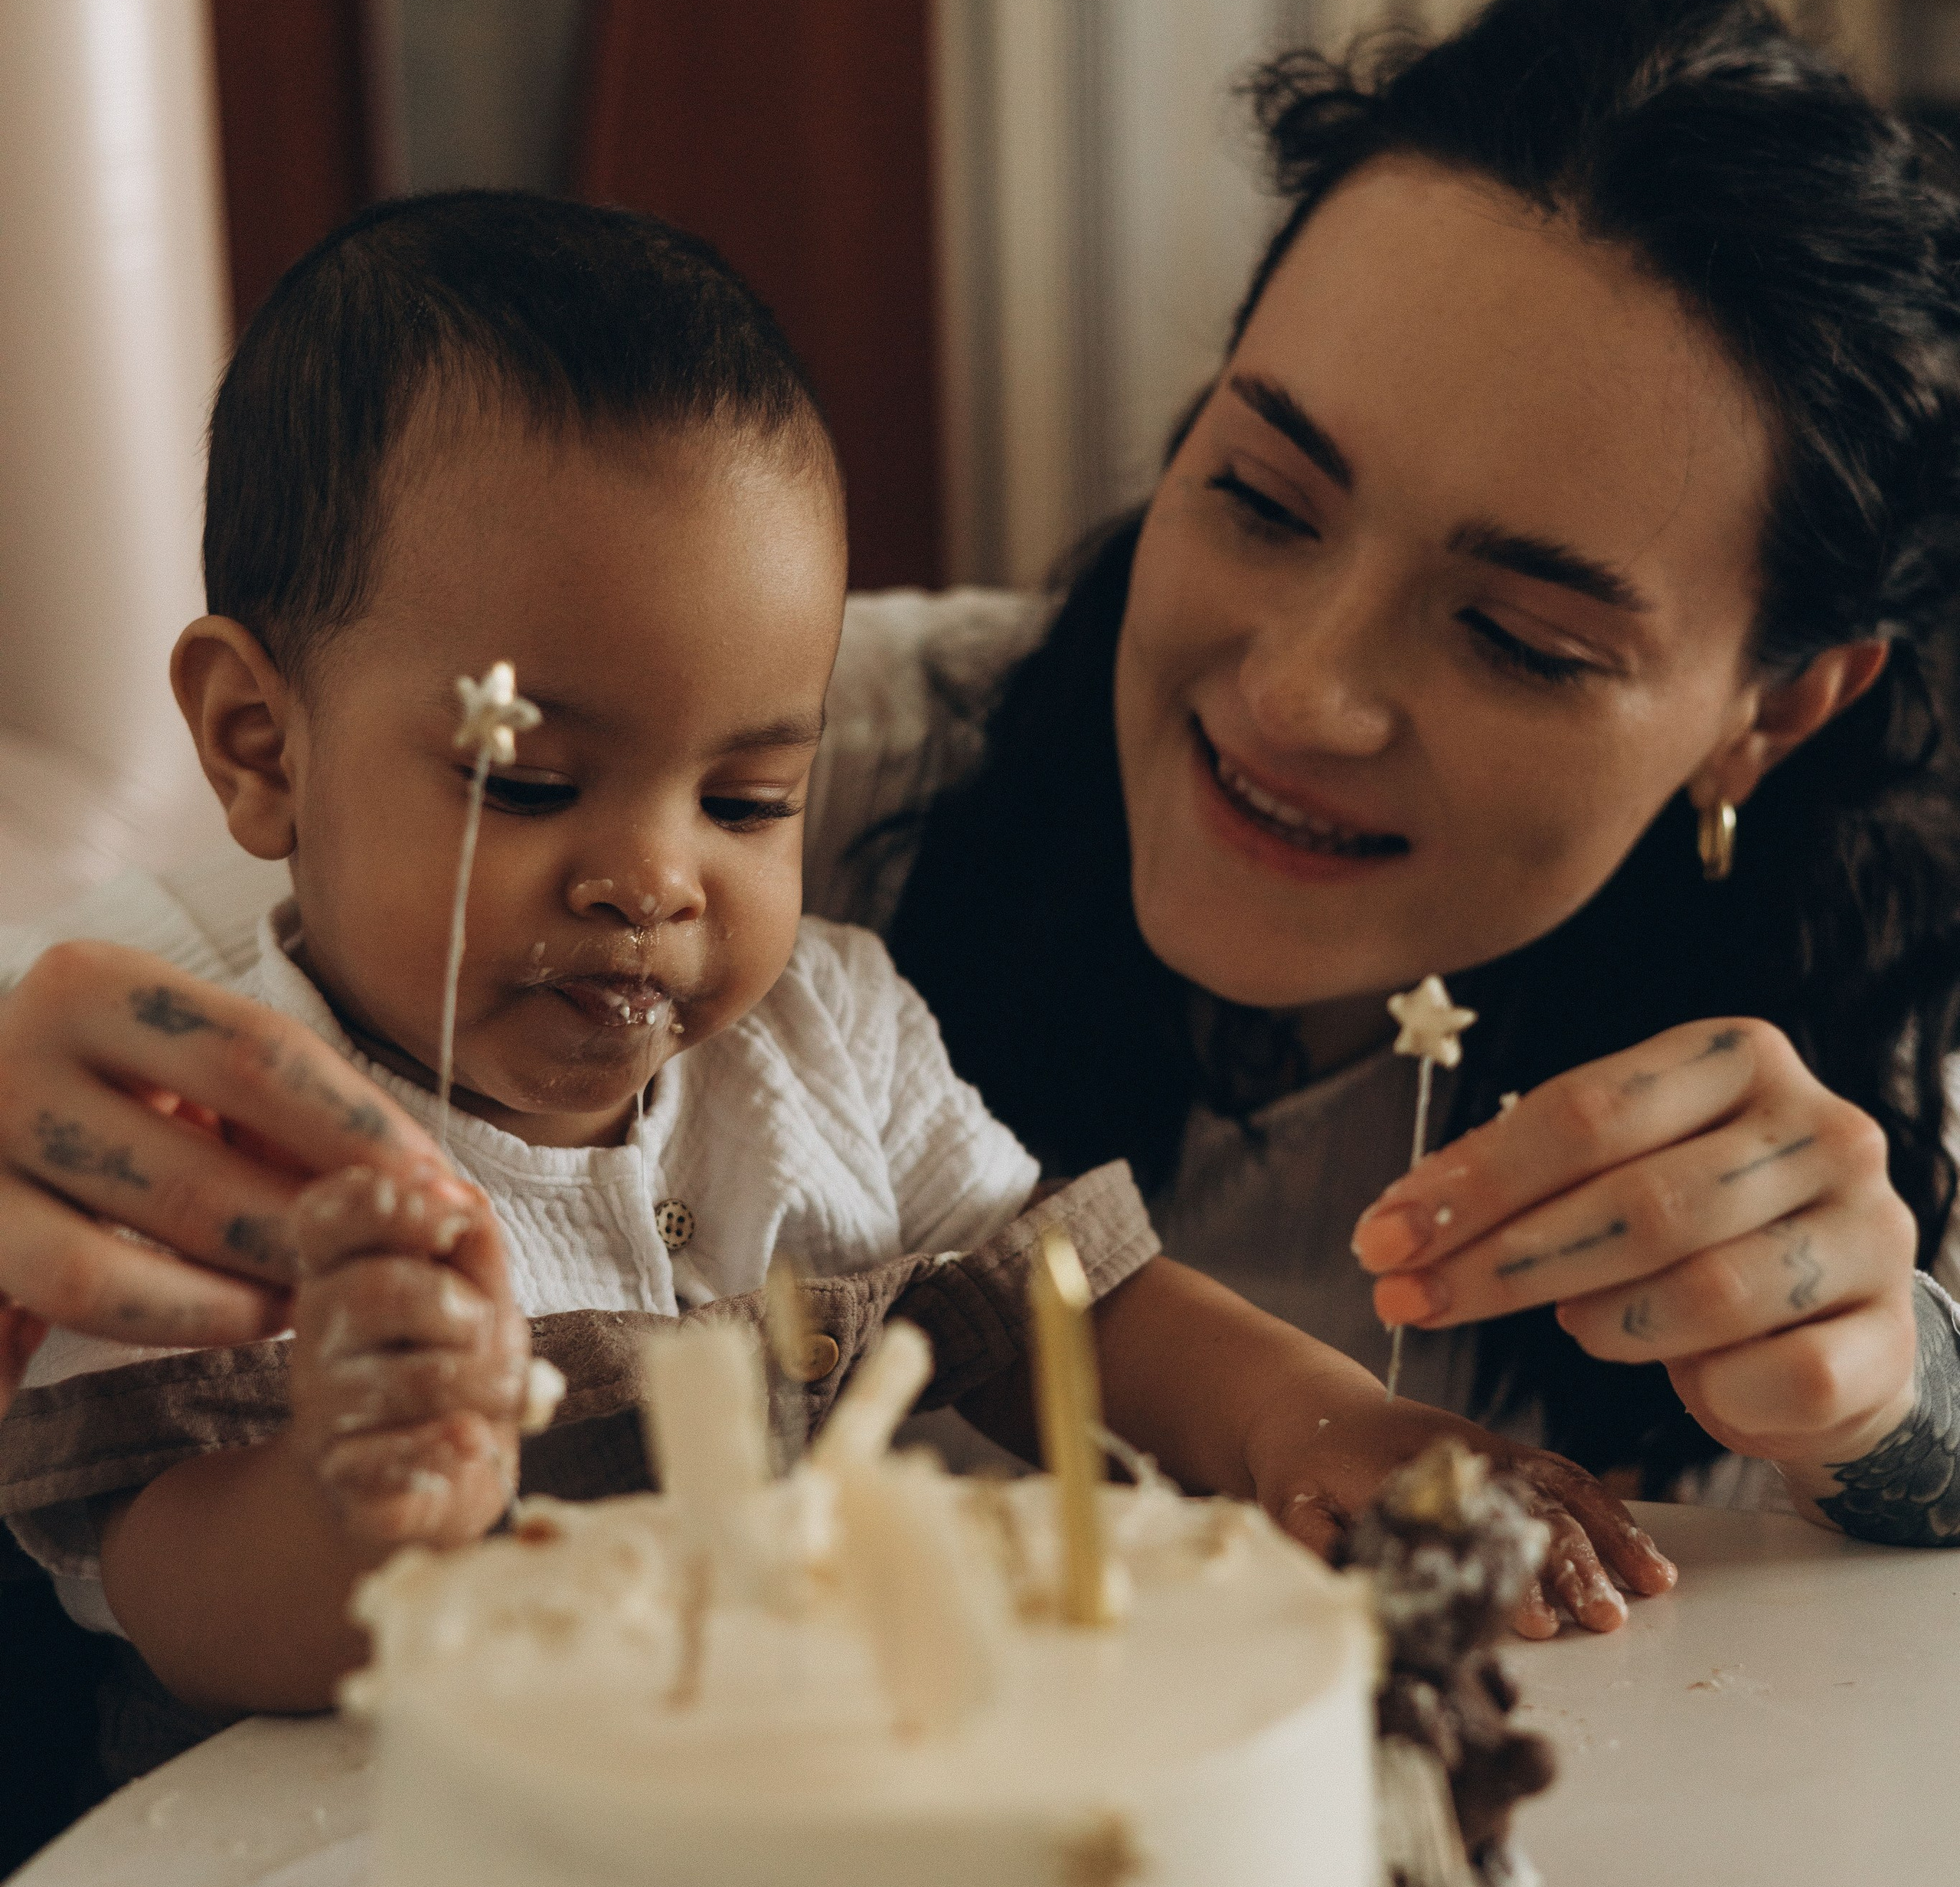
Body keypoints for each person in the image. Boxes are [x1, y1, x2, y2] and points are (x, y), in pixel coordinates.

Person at [32, 0, 1952, 1624]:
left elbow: (1072, 1298)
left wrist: (1880, 1398)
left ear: (1768, 716)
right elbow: (156, 946)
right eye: (1262, 497)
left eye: (1519, 636)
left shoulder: (807, 991)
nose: (1297, 691)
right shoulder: (819, 756)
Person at [0, 191, 1586, 1740]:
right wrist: (352, 1500)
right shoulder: (207, 1151)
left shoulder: (829, 1042)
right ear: (257, 744)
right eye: (532, 782)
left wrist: (1316, 1422)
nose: (652, 879)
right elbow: (178, 1607)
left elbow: (1078, 1308)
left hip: (773, 1846)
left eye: (748, 801)